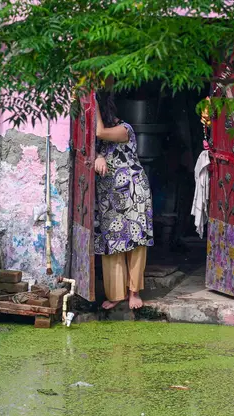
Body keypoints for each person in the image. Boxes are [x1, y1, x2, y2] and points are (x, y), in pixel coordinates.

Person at [94, 92, 154, 310]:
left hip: (133, 192)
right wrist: (97, 157)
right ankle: (116, 294)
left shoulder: (124, 129)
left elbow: (100, 132)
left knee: (136, 240)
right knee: (112, 241)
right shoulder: (97, 144)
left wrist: (93, 102)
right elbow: (94, 149)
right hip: (109, 196)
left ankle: (134, 293)